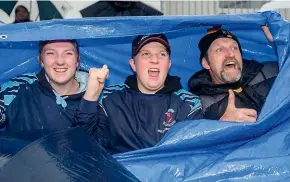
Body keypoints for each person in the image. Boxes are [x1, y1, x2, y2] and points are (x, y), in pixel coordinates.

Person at [75, 34, 203, 154]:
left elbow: (194, 154)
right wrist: (90, 97)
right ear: (133, 64)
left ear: (168, 64)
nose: (154, 60)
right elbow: (84, 146)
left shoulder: (188, 104)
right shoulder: (111, 98)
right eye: (146, 54)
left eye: (162, 54)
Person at [188, 28, 278, 122]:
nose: (231, 54)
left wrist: (283, 43)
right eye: (220, 50)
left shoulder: (271, 71)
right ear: (206, 63)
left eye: (234, 48)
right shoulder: (200, 103)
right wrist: (221, 126)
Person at [0, 40, 88, 132]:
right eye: (50, 53)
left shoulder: (100, 95)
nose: (60, 61)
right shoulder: (18, 87)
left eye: (68, 53)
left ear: (78, 61)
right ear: (41, 60)